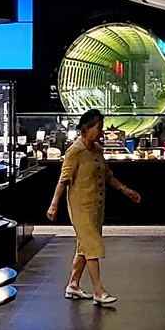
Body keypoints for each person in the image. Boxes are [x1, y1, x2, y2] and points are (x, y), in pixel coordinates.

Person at [48, 108, 140, 306]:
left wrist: (126, 190)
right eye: (98, 128)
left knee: (84, 247)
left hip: (96, 207)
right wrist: (54, 205)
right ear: (86, 129)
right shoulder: (75, 151)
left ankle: (73, 284)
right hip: (80, 207)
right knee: (93, 247)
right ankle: (99, 291)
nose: (101, 132)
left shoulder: (97, 150)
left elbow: (108, 175)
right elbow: (64, 180)